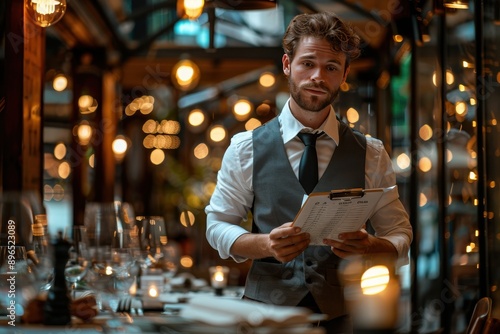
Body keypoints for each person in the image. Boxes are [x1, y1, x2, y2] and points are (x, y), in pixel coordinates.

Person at [205, 12, 413, 333]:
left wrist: (370, 245)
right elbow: (217, 225)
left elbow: (400, 235)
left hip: (344, 320)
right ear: (288, 65)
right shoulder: (245, 147)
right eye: (307, 64)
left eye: (331, 67)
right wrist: (265, 245)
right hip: (264, 320)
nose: (318, 76)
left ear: (344, 74)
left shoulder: (370, 152)